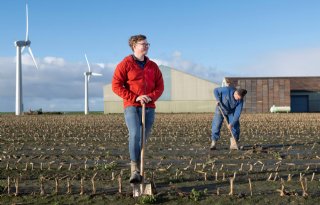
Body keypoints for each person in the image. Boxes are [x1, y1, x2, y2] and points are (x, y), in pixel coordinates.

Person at [112, 34, 164, 183]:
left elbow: (160, 86)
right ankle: (134, 168)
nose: (146, 46)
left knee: (144, 137)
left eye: (148, 44)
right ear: (134, 46)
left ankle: (141, 168)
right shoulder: (125, 64)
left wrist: (150, 96)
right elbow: (116, 85)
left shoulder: (152, 66)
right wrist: (135, 97)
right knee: (135, 134)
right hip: (132, 106)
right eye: (143, 44)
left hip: (149, 107)